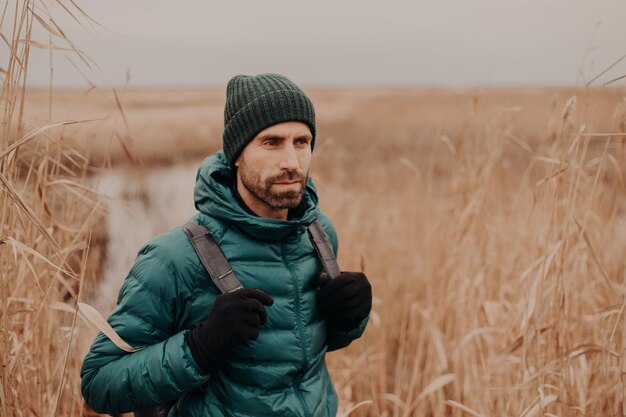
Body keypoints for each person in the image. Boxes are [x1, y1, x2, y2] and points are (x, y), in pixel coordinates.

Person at [80, 73, 372, 417]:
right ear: (236, 154)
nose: (292, 162)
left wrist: (349, 320)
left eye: (302, 141)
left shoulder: (319, 235)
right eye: (271, 142)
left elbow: (293, 352)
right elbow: (98, 384)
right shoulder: (174, 257)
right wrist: (199, 347)